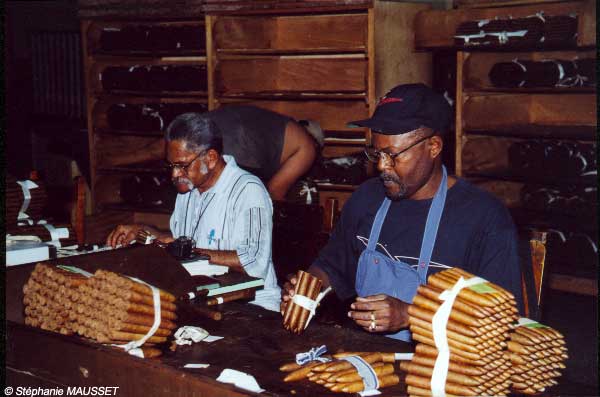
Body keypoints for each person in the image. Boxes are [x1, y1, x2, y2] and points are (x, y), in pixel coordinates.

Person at [281, 83, 522, 340]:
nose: (383, 166)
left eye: (393, 155)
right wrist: (308, 287)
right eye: (376, 153)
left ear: (434, 146)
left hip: (445, 364)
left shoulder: (483, 218)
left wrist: (410, 314)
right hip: (370, 353)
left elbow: (500, 318)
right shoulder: (366, 198)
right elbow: (332, 266)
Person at [106, 113, 281, 312]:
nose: (175, 174)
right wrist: (145, 232)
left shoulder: (248, 190)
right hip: (206, 299)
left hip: (252, 307)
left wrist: (187, 251)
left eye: (182, 166)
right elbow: (185, 242)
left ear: (211, 158)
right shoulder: (188, 189)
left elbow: (252, 263)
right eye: (171, 165)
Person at [203, 105, 322, 201]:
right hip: (237, 141)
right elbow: (274, 193)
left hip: (209, 122)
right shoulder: (308, 149)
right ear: (316, 144)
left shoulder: (280, 127)